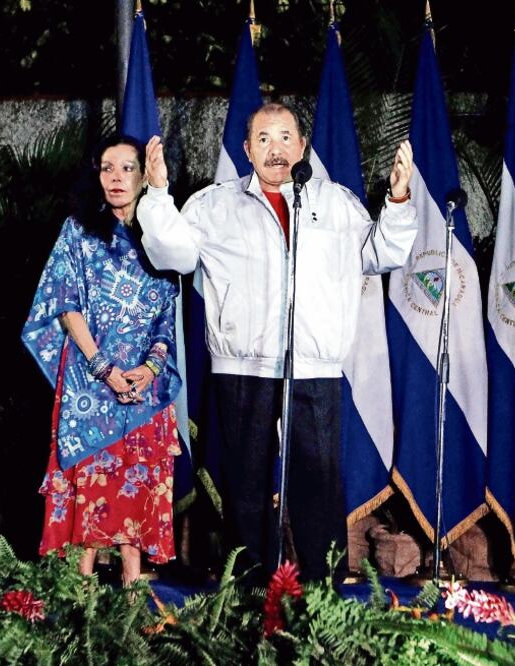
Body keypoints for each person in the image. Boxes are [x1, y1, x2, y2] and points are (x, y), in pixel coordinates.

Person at [136, 102, 416, 583]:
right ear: (246, 150)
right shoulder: (214, 204)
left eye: (286, 137)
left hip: (315, 368)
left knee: (318, 484)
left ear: (302, 146)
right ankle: (248, 586)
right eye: (264, 139)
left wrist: (396, 201)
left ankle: (322, 589)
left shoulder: (335, 203)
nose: (276, 149)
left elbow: (380, 253)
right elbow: (173, 254)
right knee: (245, 484)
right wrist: (159, 194)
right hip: (243, 367)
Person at [21, 135, 182, 585]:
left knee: (136, 487)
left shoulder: (161, 238)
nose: (115, 178)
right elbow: (65, 304)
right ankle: (79, 603)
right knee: (90, 489)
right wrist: (104, 370)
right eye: (106, 168)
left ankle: (131, 600)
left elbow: (167, 316)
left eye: (127, 168)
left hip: (143, 388)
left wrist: (149, 370)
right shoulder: (78, 231)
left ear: (144, 175)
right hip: (90, 380)